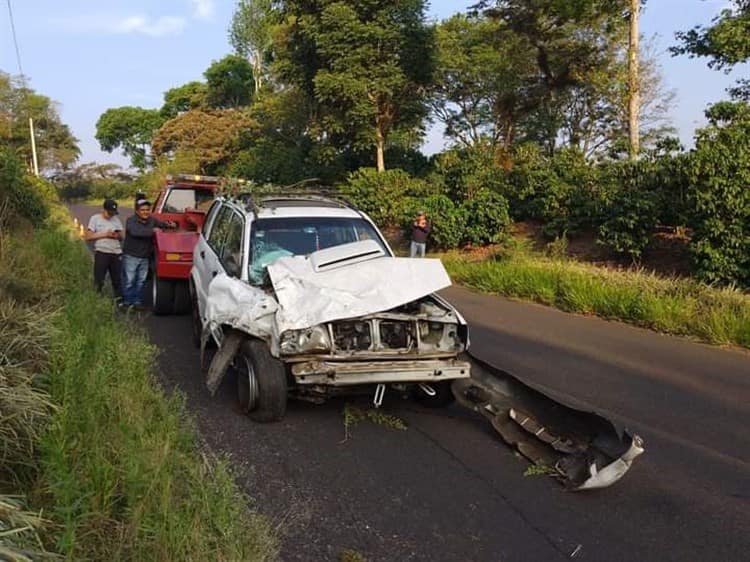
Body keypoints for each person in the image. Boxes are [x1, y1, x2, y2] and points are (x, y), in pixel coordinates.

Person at [121, 198, 175, 310]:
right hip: (131, 256)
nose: (145, 212)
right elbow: (136, 232)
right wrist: (153, 231)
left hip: (145, 257)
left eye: (147, 209)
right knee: (129, 280)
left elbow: (162, 225)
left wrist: (170, 225)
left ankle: (136, 302)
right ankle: (127, 302)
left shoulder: (152, 220)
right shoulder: (131, 220)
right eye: (142, 210)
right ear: (137, 211)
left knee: (141, 281)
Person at [85, 199, 123, 299]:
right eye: (109, 213)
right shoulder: (95, 219)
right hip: (102, 252)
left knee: (117, 280)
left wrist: (116, 235)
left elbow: (121, 237)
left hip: (116, 252)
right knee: (99, 278)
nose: (111, 215)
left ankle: (119, 301)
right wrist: (105, 234)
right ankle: (97, 299)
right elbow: (88, 237)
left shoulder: (116, 219)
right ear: (103, 210)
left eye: (113, 213)